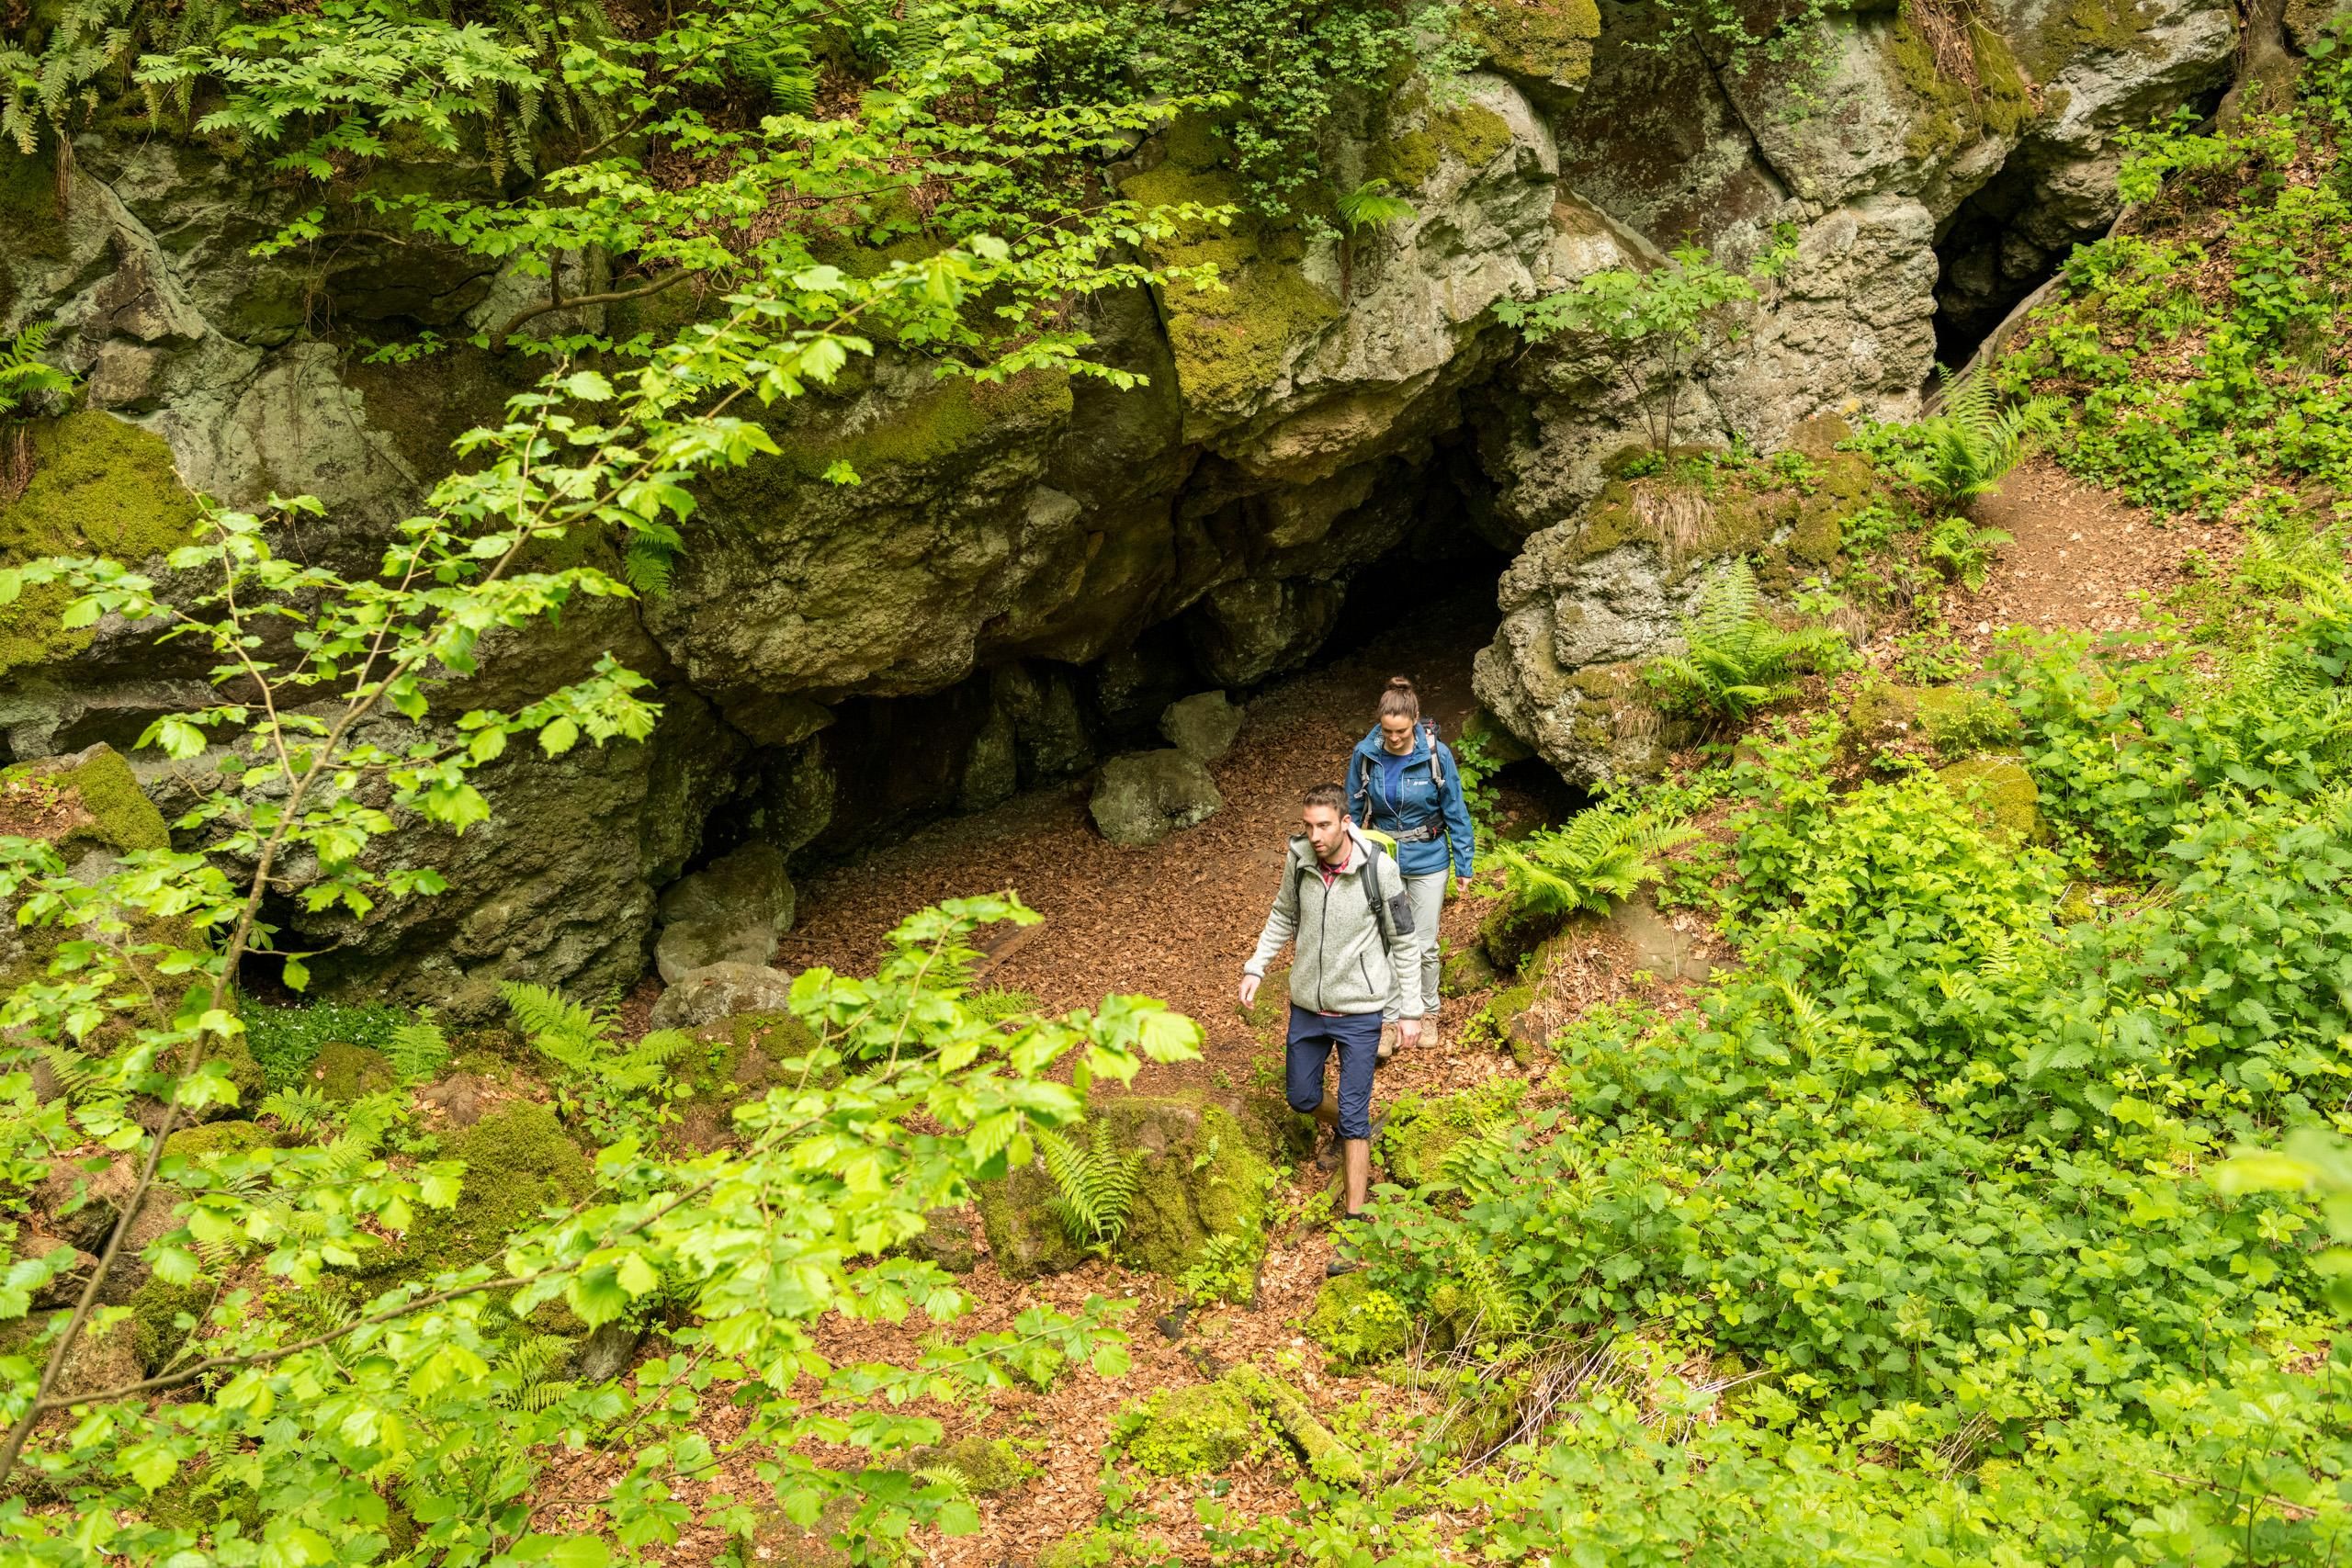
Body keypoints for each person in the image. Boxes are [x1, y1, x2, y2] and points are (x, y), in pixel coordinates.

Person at [1238, 783, 1422, 1245]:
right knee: (1301, 1097)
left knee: (1356, 1117)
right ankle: (1350, 1125)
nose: (1315, 836)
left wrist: (1410, 1010)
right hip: (1307, 1005)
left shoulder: (1378, 869)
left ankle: (1355, 1224)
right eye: (1308, 826)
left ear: (1345, 822)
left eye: (1323, 825)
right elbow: (1283, 914)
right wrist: (1257, 966)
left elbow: (1404, 941)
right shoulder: (1299, 860)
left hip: (1360, 1009)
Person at [1347, 677, 1475, 1047]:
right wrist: (1347, 857)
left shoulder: (1436, 755)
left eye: (1401, 731)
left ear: (1416, 720)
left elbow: (1455, 809)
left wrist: (1464, 863)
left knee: (1424, 943)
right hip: (1383, 860)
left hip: (1429, 859)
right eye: (1387, 731)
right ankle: (1388, 1020)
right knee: (1387, 940)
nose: (1394, 738)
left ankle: (1425, 1012)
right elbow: (1352, 810)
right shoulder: (1366, 754)